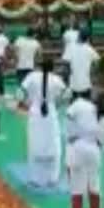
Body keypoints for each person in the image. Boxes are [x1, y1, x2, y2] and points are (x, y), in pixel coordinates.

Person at [65, 92, 104, 208]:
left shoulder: (81, 104)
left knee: (76, 188)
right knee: (94, 187)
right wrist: (102, 142)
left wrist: (72, 134)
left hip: (78, 149)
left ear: (94, 99)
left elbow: (68, 115)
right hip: (94, 152)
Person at [20, 58, 67, 187]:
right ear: (52, 68)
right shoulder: (57, 80)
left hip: (35, 112)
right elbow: (65, 95)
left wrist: (25, 102)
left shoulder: (32, 76)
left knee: (34, 142)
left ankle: (35, 178)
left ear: (40, 67)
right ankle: (52, 178)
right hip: (50, 113)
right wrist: (57, 104)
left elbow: (21, 92)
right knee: (53, 143)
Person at [63, 30, 100, 99]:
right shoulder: (90, 49)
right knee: (86, 104)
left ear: (79, 36)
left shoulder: (71, 48)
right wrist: (92, 72)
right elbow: (97, 61)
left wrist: (67, 79)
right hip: (86, 83)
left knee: (73, 104)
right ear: (87, 39)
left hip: (73, 83)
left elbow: (66, 65)